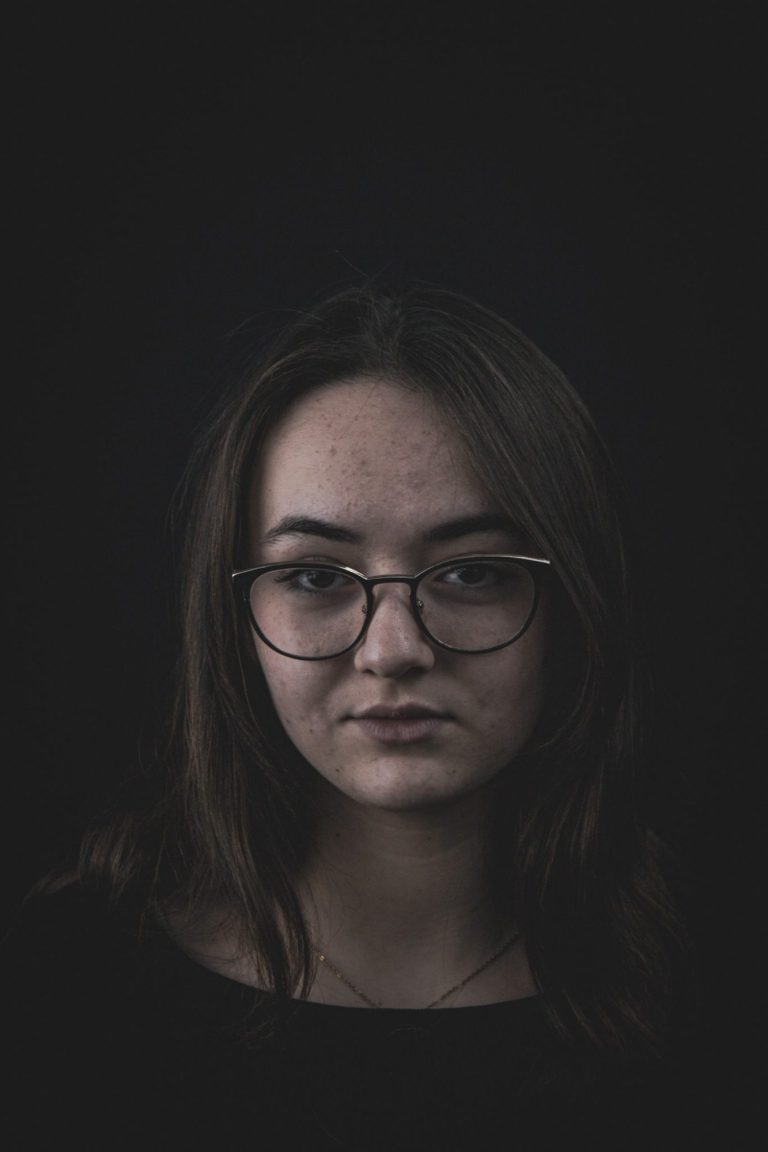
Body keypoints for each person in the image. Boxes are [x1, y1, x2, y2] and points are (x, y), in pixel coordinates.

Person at [5, 281, 705, 1148]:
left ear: (574, 601)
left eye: (473, 572)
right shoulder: (66, 990)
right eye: (316, 577)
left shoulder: (712, 996)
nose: (393, 649)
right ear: (235, 623)